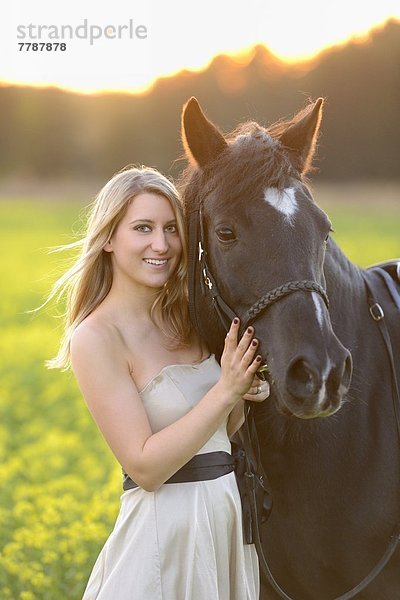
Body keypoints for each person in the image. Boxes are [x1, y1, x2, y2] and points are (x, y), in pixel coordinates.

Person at [48, 165, 269, 599]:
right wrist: (224, 389)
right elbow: (145, 467)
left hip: (223, 521)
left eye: (171, 228)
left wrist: (241, 390)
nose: (161, 244)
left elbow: (223, 433)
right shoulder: (95, 338)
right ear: (109, 238)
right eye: (143, 228)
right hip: (162, 540)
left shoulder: (189, 318)